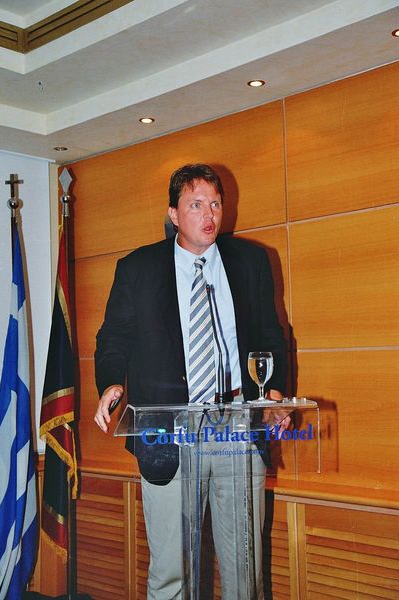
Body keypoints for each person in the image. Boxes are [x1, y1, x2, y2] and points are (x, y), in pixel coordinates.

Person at [94, 164, 287, 599]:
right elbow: (113, 338)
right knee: (172, 573)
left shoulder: (251, 262)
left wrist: (273, 395)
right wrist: (109, 383)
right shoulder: (138, 268)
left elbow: (270, 336)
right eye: (196, 204)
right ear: (174, 214)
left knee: (245, 571)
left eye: (215, 203)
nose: (209, 214)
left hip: (238, 426)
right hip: (168, 433)